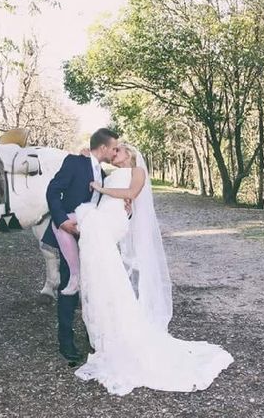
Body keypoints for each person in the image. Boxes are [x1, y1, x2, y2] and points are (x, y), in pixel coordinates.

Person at [73, 144, 234, 395]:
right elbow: (101, 174)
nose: (114, 154)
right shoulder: (109, 172)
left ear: (129, 154)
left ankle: (117, 332)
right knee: (103, 276)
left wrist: (102, 189)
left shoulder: (137, 171)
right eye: (113, 151)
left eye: (118, 151)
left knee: (107, 268)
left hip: (108, 222)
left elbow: (131, 192)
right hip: (106, 218)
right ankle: (107, 329)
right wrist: (88, 157)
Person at [42, 128, 119, 364]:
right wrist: (62, 220)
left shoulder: (104, 175)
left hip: (90, 239)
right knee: (69, 285)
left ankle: (92, 336)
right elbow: (53, 190)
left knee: (92, 286)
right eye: (114, 147)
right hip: (68, 233)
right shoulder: (75, 162)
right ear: (103, 147)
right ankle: (65, 342)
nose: (115, 152)